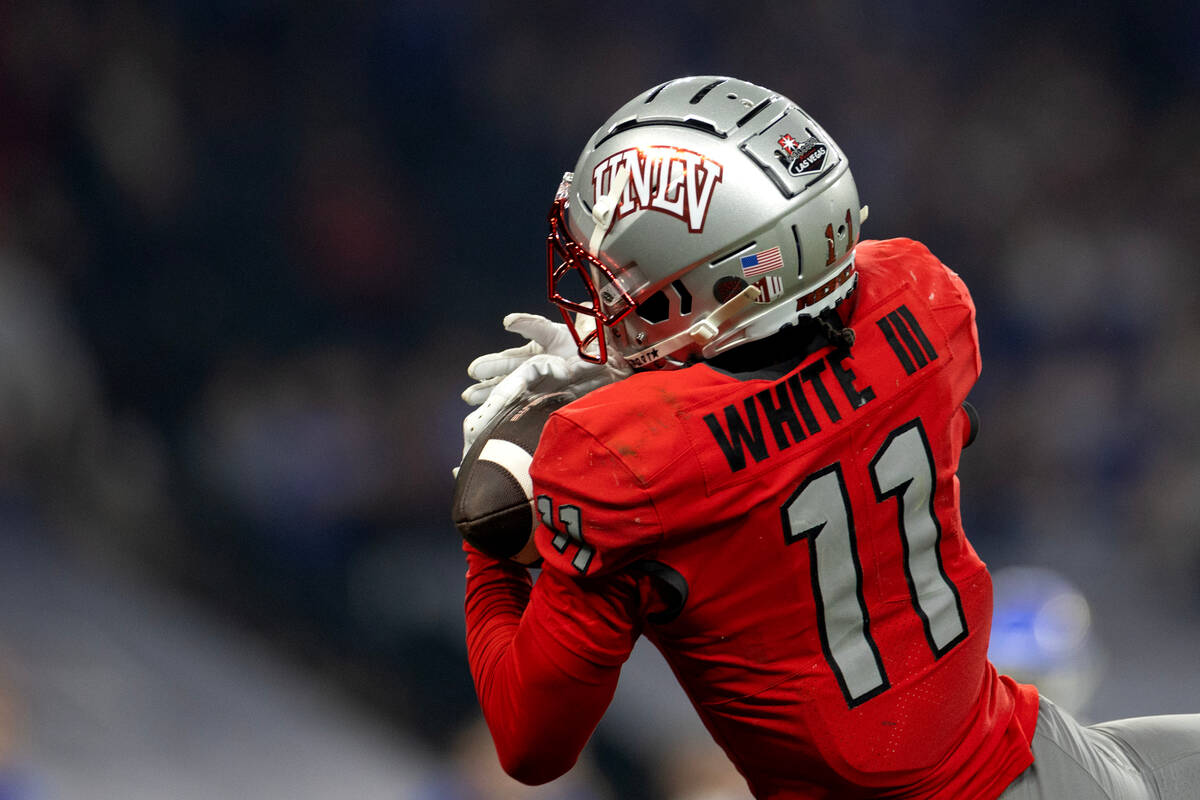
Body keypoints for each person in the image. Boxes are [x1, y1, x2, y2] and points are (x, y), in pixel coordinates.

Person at [455, 76, 1200, 799]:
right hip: (1041, 757)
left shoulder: (619, 463)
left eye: (623, 277)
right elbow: (923, 423)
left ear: (710, 285)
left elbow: (530, 747)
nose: (608, 300)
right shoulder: (923, 297)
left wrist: (487, 538)